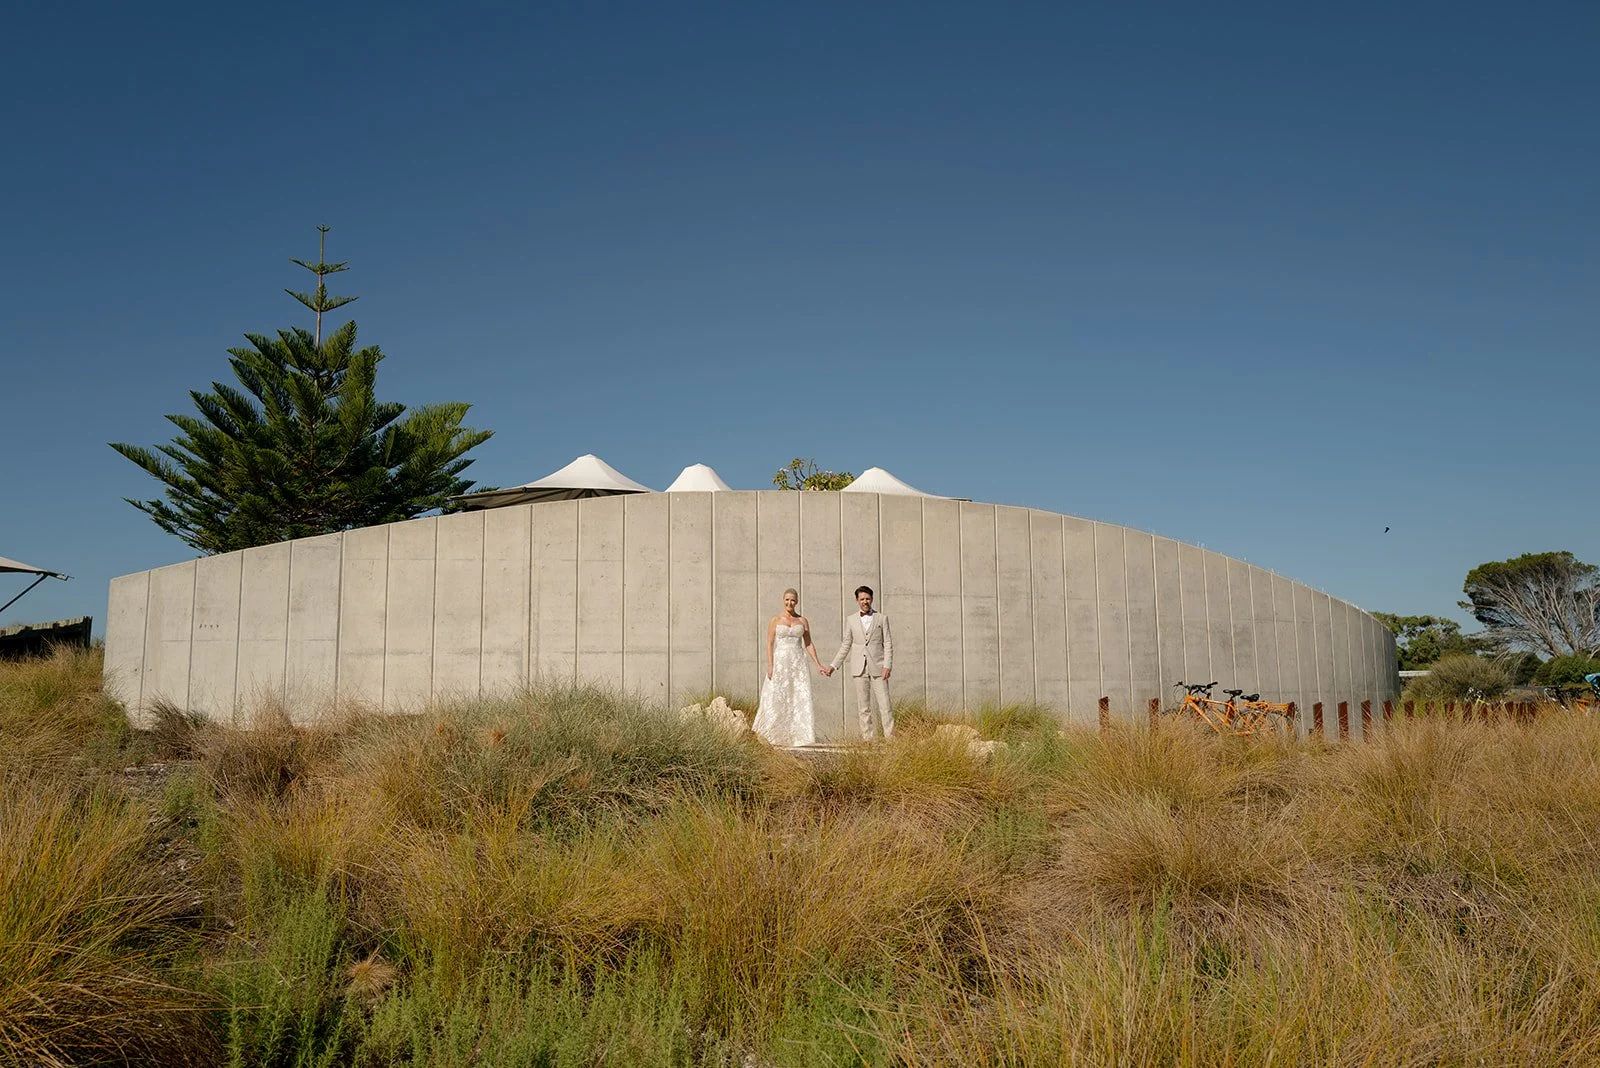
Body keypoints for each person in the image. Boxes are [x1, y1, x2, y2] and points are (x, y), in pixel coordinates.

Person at [751, 588, 827, 746]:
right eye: (787, 599)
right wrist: (770, 665)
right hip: (781, 662)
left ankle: (799, 737)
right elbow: (770, 644)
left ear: (797, 601)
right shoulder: (775, 620)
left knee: (798, 696)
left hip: (798, 663)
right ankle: (773, 735)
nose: (789, 603)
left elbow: (808, 644)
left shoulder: (803, 621)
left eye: (792, 600)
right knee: (777, 695)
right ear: (783, 600)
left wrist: (818, 664)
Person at [827, 585, 894, 740]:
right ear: (857, 600)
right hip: (859, 667)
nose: (865, 601)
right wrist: (833, 666)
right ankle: (868, 739)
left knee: (885, 705)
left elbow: (888, 643)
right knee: (863, 707)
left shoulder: (882, 618)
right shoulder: (851, 620)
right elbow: (846, 644)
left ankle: (890, 738)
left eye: (867, 598)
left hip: (878, 667)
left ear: (872, 599)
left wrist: (887, 665)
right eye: (862, 599)